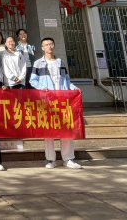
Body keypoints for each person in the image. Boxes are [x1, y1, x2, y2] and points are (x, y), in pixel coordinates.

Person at [31, 37, 83, 170]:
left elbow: (67, 80)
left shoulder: (61, 62)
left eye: (50, 44)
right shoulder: (38, 63)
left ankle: (68, 159)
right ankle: (50, 159)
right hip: (47, 101)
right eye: (46, 45)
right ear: (42, 48)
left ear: (54, 46)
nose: (49, 46)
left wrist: (74, 88)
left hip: (62, 100)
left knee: (66, 129)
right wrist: (42, 88)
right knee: (48, 131)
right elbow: (33, 80)